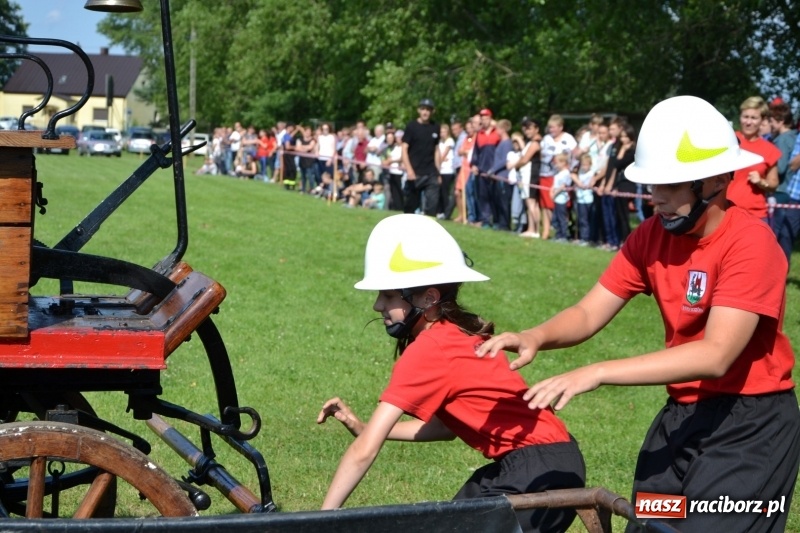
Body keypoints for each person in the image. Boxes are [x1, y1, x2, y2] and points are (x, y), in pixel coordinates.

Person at [476, 95, 800, 533]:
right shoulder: (650, 235)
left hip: (751, 427)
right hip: (681, 417)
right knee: (651, 526)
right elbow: (588, 311)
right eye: (652, 184)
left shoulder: (752, 243)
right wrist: (535, 336)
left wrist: (597, 372)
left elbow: (716, 354)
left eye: (670, 185)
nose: (655, 198)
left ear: (718, 180)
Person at [318, 214, 586, 532]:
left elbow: (364, 452)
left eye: (389, 296)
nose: (378, 305)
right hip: (549, 462)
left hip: (536, 471)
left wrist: (319, 521)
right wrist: (366, 428)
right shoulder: (455, 334)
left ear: (429, 298)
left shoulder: (430, 348)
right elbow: (445, 427)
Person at [726, 96, 781, 221]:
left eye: (754, 118)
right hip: (725, 211)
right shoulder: (729, 140)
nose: (748, 122)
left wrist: (761, 182)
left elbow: (774, 184)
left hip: (754, 215)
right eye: (745, 117)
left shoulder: (770, 150)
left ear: (762, 120)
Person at [768, 102, 798, 263]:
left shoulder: (782, 139)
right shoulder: (794, 137)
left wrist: (766, 168)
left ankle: (776, 265)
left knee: (776, 233)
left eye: (772, 121)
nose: (770, 124)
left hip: (781, 190)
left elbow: (780, 167)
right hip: (789, 191)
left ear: (780, 121)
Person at [401, 99, 441, 216]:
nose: (425, 112)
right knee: (410, 207)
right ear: (419, 110)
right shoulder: (412, 126)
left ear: (432, 112)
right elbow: (404, 149)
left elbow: (436, 150)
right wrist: (409, 170)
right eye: (423, 109)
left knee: (432, 206)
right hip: (415, 173)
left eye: (428, 110)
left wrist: (438, 172)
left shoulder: (435, 127)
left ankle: (430, 226)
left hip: (431, 173)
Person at [517, 118, 543, 238]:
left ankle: (535, 229)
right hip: (526, 175)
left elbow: (525, 159)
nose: (527, 131)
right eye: (526, 129)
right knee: (530, 202)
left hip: (531, 175)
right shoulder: (530, 142)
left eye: (530, 128)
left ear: (536, 129)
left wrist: (515, 165)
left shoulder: (535, 143)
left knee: (531, 202)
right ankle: (531, 228)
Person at [549, 153, 572, 242]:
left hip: (561, 199)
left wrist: (555, 193)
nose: (556, 165)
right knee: (555, 219)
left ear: (563, 163)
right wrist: (552, 191)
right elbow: (555, 184)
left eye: (557, 163)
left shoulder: (566, 173)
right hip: (557, 199)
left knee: (561, 218)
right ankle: (558, 235)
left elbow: (563, 186)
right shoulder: (559, 173)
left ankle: (564, 235)